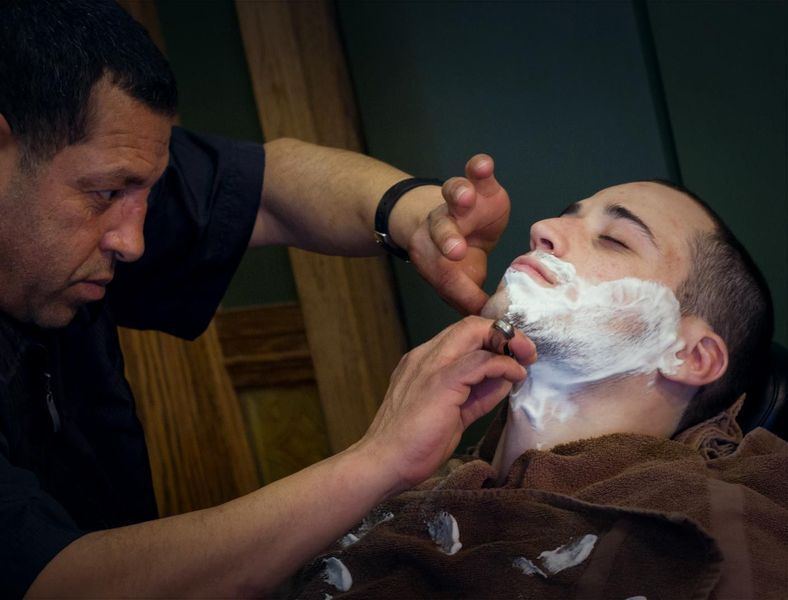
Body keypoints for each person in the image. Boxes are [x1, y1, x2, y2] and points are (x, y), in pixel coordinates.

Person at [0, 1, 540, 597]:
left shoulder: (71, 177)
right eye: (107, 194)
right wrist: (382, 460)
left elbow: (269, 185)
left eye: (146, 193)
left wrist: (420, 220)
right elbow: (54, 586)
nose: (135, 239)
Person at [291, 180, 787, 599]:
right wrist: (375, 460)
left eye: (614, 239)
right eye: (567, 215)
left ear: (689, 355)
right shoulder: (404, 488)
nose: (542, 228)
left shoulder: (710, 540)